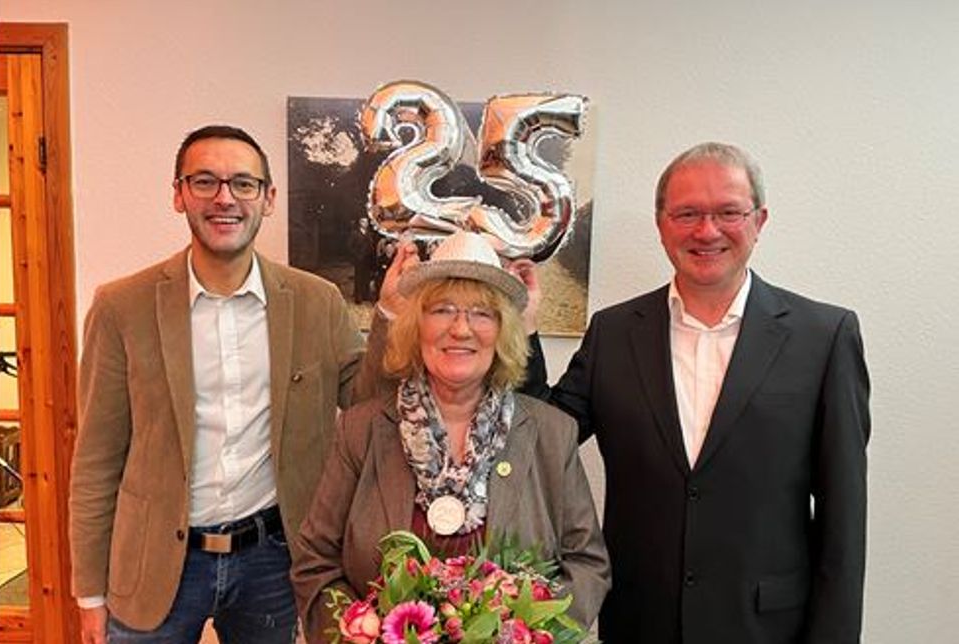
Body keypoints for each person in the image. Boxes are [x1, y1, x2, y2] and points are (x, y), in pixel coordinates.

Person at [520, 142, 871, 643]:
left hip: (768, 629)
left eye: (728, 212)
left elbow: (844, 519)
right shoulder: (614, 333)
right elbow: (540, 440)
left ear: (759, 220)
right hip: (640, 623)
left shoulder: (824, 336)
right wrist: (525, 330)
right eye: (687, 213)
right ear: (661, 223)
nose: (707, 231)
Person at [69, 124, 397, 642]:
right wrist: (90, 595)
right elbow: (95, 460)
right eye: (205, 182)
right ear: (178, 195)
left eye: (243, 184)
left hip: (272, 559)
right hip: (154, 562)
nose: (225, 198)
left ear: (267, 199)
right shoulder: (121, 306)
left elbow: (368, 401)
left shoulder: (316, 302)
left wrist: (391, 315)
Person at [290, 231, 611, 642]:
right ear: (415, 325)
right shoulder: (360, 429)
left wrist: (532, 635)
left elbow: (586, 563)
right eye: (442, 310)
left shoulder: (551, 432)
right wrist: (358, 636)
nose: (461, 329)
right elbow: (315, 561)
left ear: (503, 331)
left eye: (482, 313)